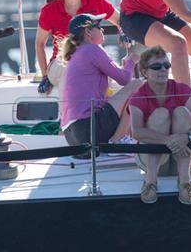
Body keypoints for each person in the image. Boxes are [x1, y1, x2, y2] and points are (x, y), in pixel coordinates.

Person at [128, 46, 191, 205]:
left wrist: (187, 137)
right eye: (156, 66)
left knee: (182, 112)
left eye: (166, 65)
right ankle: (151, 182)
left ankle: (185, 182)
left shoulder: (182, 89)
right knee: (160, 115)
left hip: (184, 159)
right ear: (144, 72)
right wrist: (171, 140)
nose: (163, 69)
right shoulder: (138, 96)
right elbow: (136, 132)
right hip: (153, 161)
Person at [36, 0, 121, 103]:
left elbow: (120, 21)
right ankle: (69, 120)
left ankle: (103, 116)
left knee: (113, 79)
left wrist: (125, 36)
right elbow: (39, 44)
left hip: (93, 57)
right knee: (68, 69)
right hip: (60, 62)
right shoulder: (49, 11)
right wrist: (45, 76)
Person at [60, 13, 142, 153]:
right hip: (88, 129)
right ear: (88, 32)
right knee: (138, 85)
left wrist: (126, 66)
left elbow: (121, 78)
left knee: (127, 92)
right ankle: (117, 141)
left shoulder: (77, 54)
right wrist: (132, 61)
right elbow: (124, 80)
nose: (103, 29)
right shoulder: (92, 49)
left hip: (73, 136)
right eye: (99, 26)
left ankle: (123, 137)